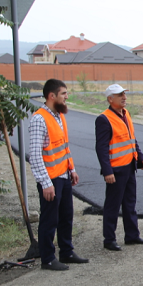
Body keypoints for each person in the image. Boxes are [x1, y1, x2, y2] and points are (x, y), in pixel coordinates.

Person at [29, 79, 88, 271]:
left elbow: (63, 147)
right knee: (49, 219)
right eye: (64, 93)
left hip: (63, 175)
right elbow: (35, 154)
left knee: (66, 216)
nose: (67, 97)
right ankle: (47, 258)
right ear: (51, 96)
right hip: (51, 179)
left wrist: (71, 169)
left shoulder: (59, 117)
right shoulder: (39, 119)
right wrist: (45, 182)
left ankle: (66, 252)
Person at [95, 84, 143, 251]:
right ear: (110, 99)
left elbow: (132, 139)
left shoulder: (126, 114)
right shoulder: (104, 119)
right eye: (120, 95)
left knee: (129, 203)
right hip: (116, 170)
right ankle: (109, 239)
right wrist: (107, 171)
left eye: (124, 94)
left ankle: (132, 235)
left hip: (129, 166)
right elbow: (101, 148)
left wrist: (140, 158)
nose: (124, 97)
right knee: (112, 205)